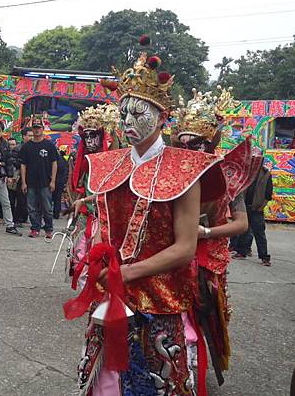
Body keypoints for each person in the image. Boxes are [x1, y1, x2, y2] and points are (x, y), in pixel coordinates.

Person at [64, 44, 223, 395]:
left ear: (163, 117)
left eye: (140, 114)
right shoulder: (111, 163)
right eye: (124, 115)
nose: (129, 123)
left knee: (155, 381)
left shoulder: (184, 168)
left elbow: (184, 248)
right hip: (112, 295)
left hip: (159, 299)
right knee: (105, 380)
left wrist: (127, 273)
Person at [172, 86, 258, 390]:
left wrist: (205, 232)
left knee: (204, 315)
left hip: (208, 260)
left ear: (209, 144)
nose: (189, 150)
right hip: (173, 254)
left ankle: (197, 366)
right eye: (183, 144)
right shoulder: (174, 173)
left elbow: (241, 224)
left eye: (196, 144)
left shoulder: (227, 175)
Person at [68, 104, 118, 289]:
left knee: (101, 255)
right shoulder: (82, 160)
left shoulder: (114, 159)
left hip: (105, 215)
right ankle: (86, 290)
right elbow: (78, 185)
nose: (89, 140)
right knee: (80, 251)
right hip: (86, 213)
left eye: (93, 135)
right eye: (86, 136)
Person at [20, 117, 57, 239]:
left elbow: (54, 163)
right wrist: (24, 182)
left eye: (39, 128)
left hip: (45, 182)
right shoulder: (26, 147)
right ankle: (35, 228)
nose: (37, 131)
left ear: (43, 129)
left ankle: (49, 229)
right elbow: (23, 165)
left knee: (47, 207)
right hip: (31, 182)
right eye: (34, 128)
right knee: (32, 207)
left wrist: (53, 181)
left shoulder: (49, 145)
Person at [233, 157, 273, 266]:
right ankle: (242, 252)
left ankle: (264, 257)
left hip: (256, 208)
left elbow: (268, 194)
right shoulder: (247, 174)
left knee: (259, 233)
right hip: (245, 207)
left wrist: (262, 206)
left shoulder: (266, 175)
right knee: (244, 230)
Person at [11, 128, 33, 226]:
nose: (31, 137)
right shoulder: (18, 148)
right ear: (24, 136)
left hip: (32, 176)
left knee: (29, 198)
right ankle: (18, 219)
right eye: (29, 135)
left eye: (32, 135)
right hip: (20, 176)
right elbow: (14, 162)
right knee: (20, 198)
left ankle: (24, 217)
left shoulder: (33, 147)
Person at [53, 148, 68, 219]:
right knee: (58, 198)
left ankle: (50, 213)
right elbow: (66, 171)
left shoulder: (53, 159)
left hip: (53, 180)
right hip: (60, 181)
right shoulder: (63, 160)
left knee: (50, 198)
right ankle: (56, 214)